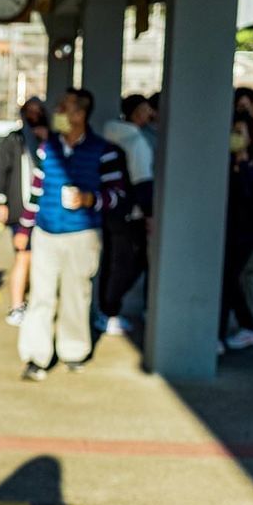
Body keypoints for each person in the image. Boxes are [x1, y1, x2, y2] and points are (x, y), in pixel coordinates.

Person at [17, 88, 126, 381]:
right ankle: (36, 357)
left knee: (77, 295)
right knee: (41, 295)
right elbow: (36, 192)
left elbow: (118, 196)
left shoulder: (105, 151)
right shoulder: (46, 148)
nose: (57, 113)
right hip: (46, 233)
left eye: (63, 108)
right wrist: (25, 228)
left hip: (83, 234)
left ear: (80, 114)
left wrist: (90, 200)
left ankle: (73, 351)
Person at [99, 93, 155, 336]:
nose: (149, 115)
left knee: (112, 262)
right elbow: (143, 182)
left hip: (108, 208)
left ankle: (106, 310)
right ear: (134, 113)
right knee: (130, 264)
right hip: (129, 213)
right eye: (144, 110)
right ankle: (110, 311)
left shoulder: (110, 134)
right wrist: (149, 215)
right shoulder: (137, 140)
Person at [0, 96, 49, 326]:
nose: (35, 114)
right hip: (20, 210)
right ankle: (16, 305)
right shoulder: (12, 139)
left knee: (36, 259)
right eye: (30, 110)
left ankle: (28, 301)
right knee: (24, 256)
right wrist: (0, 201)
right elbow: (0, 172)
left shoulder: (50, 140)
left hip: (46, 211)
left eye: (39, 109)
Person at [220, 111, 253, 352]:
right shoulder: (224, 162)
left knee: (228, 279)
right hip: (230, 230)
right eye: (232, 132)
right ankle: (244, 327)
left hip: (248, 232)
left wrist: (242, 161)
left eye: (240, 133)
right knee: (228, 280)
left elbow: (250, 194)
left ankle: (228, 332)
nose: (235, 138)